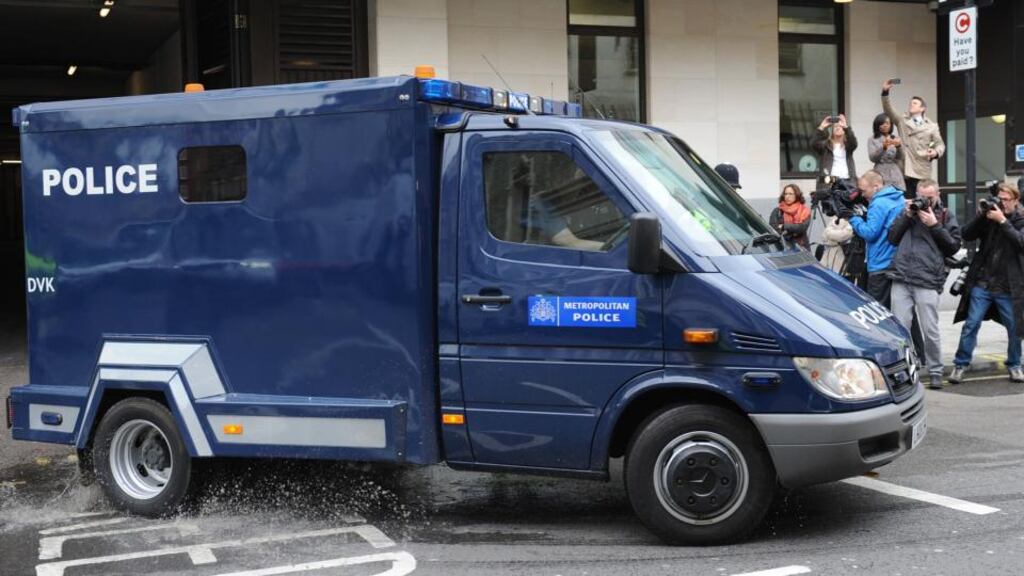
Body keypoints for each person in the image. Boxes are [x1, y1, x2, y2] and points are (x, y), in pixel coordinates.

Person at [886, 179, 961, 389]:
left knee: (930, 330)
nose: (926, 200)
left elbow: (954, 246)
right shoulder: (909, 212)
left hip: (927, 279)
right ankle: (902, 370)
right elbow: (891, 238)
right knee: (899, 330)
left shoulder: (945, 215)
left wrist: (934, 225)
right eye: (922, 196)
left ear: (938, 193)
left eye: (930, 196)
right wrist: (906, 215)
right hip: (902, 276)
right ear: (916, 193)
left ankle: (936, 371)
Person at [949, 183, 1024, 384]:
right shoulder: (989, 219)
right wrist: (981, 215)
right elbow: (966, 234)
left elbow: (1020, 242)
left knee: (1015, 327)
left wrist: (1002, 221)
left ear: (1016, 201)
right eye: (1000, 198)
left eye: (1006, 199)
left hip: (1008, 286)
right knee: (971, 324)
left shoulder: (1020, 220)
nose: (1002, 203)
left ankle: (1015, 364)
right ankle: (960, 364)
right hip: (982, 283)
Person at [840, 170, 904, 307]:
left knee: (879, 310)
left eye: (864, 191)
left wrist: (853, 218)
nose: (862, 195)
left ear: (876, 186)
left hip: (880, 263)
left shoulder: (878, 203)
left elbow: (870, 233)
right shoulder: (897, 197)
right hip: (895, 262)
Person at [881, 79, 945, 199]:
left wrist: (935, 152)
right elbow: (888, 110)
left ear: (922, 108)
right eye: (910, 103)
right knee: (906, 202)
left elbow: (940, 145)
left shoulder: (931, 126)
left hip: (921, 168)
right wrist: (885, 92)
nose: (911, 104)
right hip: (904, 168)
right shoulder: (902, 120)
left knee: (922, 201)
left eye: (915, 103)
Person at [811, 114, 857, 188]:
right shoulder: (826, 144)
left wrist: (846, 127)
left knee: (847, 198)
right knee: (828, 197)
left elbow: (853, 143)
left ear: (844, 130)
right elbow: (814, 144)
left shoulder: (848, 145)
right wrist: (821, 127)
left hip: (846, 178)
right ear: (832, 130)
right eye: (835, 126)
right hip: (829, 179)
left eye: (840, 126)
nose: (838, 128)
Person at [867, 113, 906, 192]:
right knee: (881, 192)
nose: (885, 125)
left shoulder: (895, 138)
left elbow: (901, 157)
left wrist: (898, 146)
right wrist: (884, 147)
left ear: (891, 125)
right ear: (877, 125)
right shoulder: (872, 139)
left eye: (887, 123)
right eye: (882, 123)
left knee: (897, 193)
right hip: (880, 170)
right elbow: (872, 158)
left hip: (894, 171)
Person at [769, 184, 811, 250]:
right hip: (782, 248)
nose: (787, 196)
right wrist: (793, 231)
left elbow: (802, 228)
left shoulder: (804, 211)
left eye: (790, 194)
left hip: (802, 248)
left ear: (797, 195)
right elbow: (773, 228)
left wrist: (784, 227)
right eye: (785, 194)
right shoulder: (777, 211)